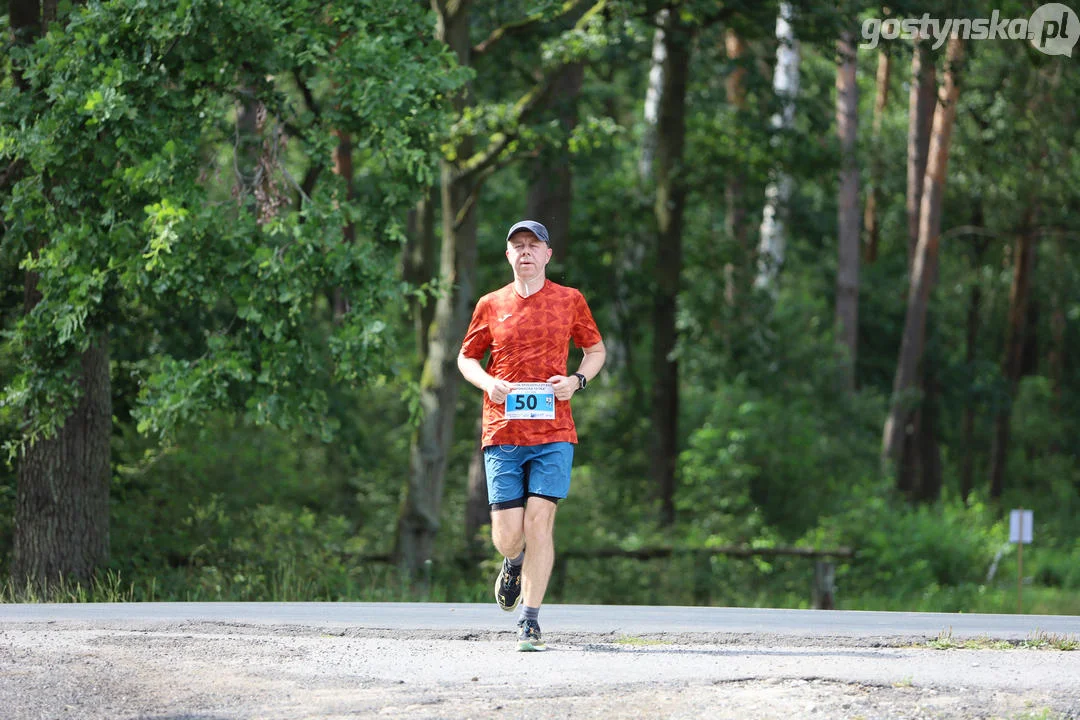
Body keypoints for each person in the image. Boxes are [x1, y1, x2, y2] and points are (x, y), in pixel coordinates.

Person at [458, 220, 606, 652]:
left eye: (533, 245)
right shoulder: (490, 304)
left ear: (547, 255)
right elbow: (467, 358)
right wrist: (487, 383)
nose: (525, 252)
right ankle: (512, 562)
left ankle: (530, 620)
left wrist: (577, 381)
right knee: (508, 534)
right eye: (517, 246)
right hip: (502, 431)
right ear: (508, 256)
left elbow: (595, 350)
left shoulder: (569, 300)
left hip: (554, 431)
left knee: (540, 521)